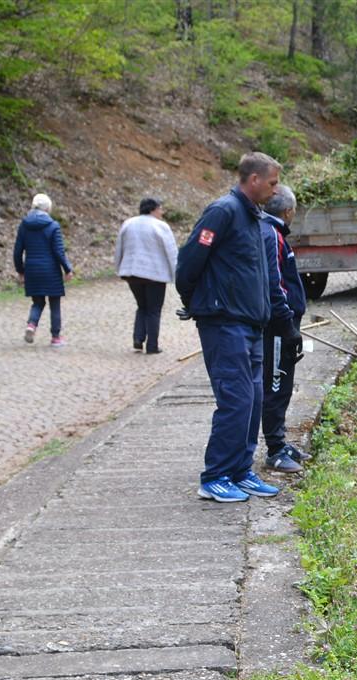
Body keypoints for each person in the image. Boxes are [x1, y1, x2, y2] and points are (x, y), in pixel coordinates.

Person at [175, 152, 284, 504]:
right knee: (235, 400)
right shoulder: (223, 212)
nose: (275, 189)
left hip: (251, 324)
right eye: (272, 183)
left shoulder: (254, 217)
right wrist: (198, 302)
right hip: (225, 323)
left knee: (252, 400)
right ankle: (215, 475)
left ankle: (240, 470)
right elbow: (189, 261)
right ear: (253, 180)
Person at [259, 184, 308, 473]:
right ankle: (275, 449)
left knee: (283, 384)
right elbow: (274, 285)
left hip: (283, 325)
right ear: (288, 211)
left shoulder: (271, 233)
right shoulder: (271, 236)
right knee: (276, 385)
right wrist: (288, 326)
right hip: (278, 327)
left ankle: (281, 441)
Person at [114, 196, 178, 354]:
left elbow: (119, 248)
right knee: (154, 309)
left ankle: (138, 337)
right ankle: (152, 345)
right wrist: (176, 273)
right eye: (160, 208)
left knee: (142, 305)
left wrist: (119, 267)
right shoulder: (161, 226)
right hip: (155, 274)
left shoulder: (128, 223)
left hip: (131, 273)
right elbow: (171, 252)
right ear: (153, 209)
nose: (162, 212)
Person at [13, 193, 73, 347]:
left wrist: (20, 270)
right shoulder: (53, 226)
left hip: (32, 269)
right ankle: (55, 337)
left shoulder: (24, 225)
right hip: (50, 270)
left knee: (38, 302)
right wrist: (67, 269)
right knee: (54, 302)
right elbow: (59, 251)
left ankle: (31, 325)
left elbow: (17, 251)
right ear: (48, 208)